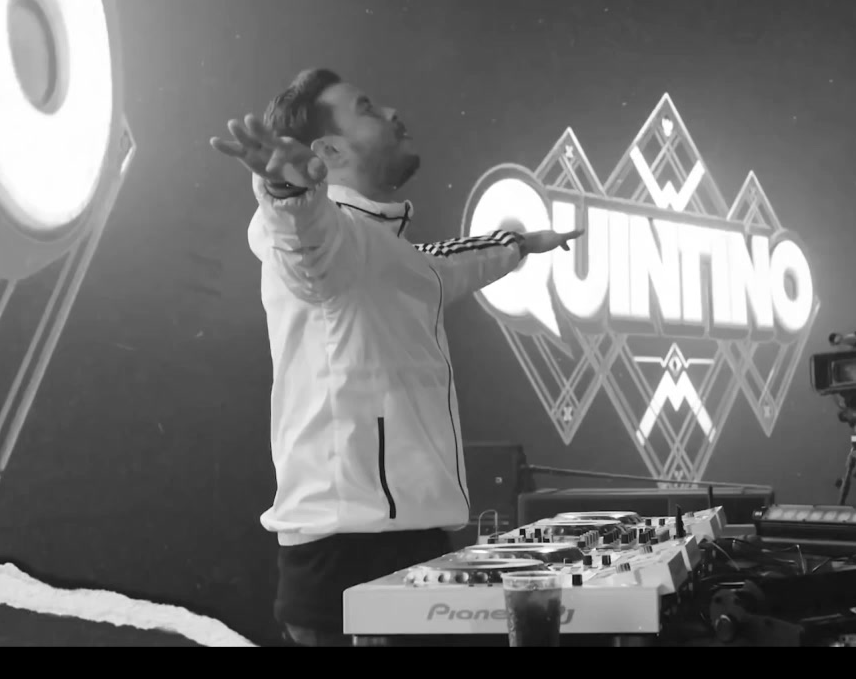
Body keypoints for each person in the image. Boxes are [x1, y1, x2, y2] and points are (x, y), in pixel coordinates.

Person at [209, 68, 581, 646]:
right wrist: (287, 189)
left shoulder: (397, 254)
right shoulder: (329, 239)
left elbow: (456, 259)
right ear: (329, 152)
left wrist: (520, 244)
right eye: (365, 108)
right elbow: (301, 235)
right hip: (346, 553)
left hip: (416, 542)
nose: (389, 112)